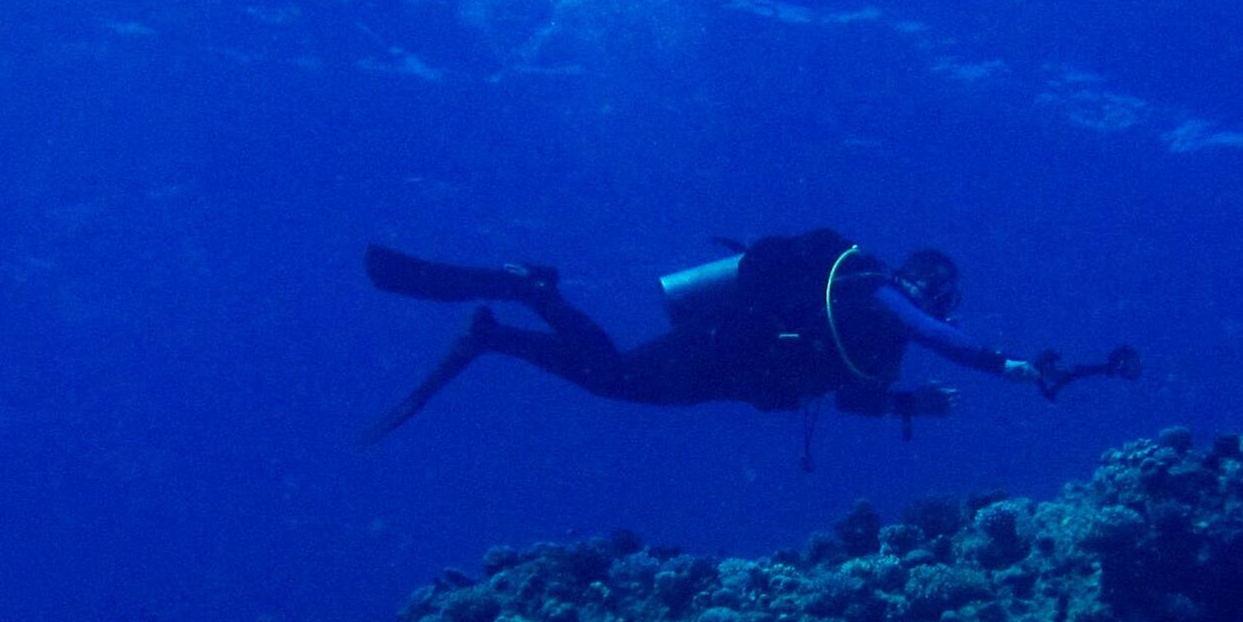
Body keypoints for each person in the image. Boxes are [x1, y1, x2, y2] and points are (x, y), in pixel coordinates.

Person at [361, 229, 1132, 448]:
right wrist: (1007, 364)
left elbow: (854, 400)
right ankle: (530, 296)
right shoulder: (878, 290)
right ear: (931, 283)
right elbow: (937, 334)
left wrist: (909, 404)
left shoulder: (877, 330)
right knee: (619, 379)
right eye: (947, 296)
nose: (944, 307)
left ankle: (501, 329)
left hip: (733, 376)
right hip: (725, 351)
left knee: (616, 380)